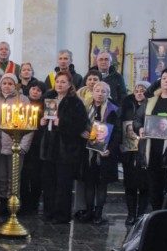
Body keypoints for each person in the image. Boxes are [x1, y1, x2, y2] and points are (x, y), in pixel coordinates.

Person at [39, 71, 87, 224]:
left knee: (63, 183)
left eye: (63, 82)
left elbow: (80, 125)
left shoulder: (75, 102)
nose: (59, 84)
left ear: (69, 84)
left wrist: (63, 123)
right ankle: (48, 212)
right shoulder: (49, 99)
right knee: (48, 181)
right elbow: (41, 119)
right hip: (49, 147)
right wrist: (41, 122)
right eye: (58, 81)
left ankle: (61, 214)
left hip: (66, 148)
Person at [134, 67, 167, 211]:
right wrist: (140, 128)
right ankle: (157, 219)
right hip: (151, 152)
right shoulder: (150, 100)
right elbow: (137, 119)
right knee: (154, 192)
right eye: (164, 78)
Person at [79, 82, 120, 225]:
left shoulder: (113, 110)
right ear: (93, 92)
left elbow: (117, 133)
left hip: (105, 153)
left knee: (101, 184)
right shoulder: (85, 108)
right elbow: (80, 125)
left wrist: (110, 149)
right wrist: (82, 133)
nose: (100, 93)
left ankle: (98, 213)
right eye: (97, 90)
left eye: (103, 91)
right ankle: (89, 211)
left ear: (108, 94)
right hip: (88, 152)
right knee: (89, 183)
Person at [0, 74, 32, 214]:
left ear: (15, 85)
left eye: (10, 83)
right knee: (1, 176)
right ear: (0, 85)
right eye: (4, 83)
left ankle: (14, 204)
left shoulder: (22, 99)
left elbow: (28, 123)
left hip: (16, 145)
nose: (7, 86)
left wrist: (24, 146)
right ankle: (3, 203)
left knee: (14, 177)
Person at [120, 81, 149, 224]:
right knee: (129, 183)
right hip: (128, 149)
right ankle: (131, 213)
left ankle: (141, 214)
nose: (139, 93)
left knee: (144, 184)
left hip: (145, 150)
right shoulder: (126, 104)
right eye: (136, 90)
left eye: (143, 90)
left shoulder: (151, 106)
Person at [19, 81, 46, 215]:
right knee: (23, 176)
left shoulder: (46, 107)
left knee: (36, 177)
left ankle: (34, 203)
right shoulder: (22, 104)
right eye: (33, 89)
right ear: (29, 90)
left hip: (38, 146)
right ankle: (24, 203)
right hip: (23, 144)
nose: (35, 92)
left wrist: (42, 123)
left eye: (38, 90)